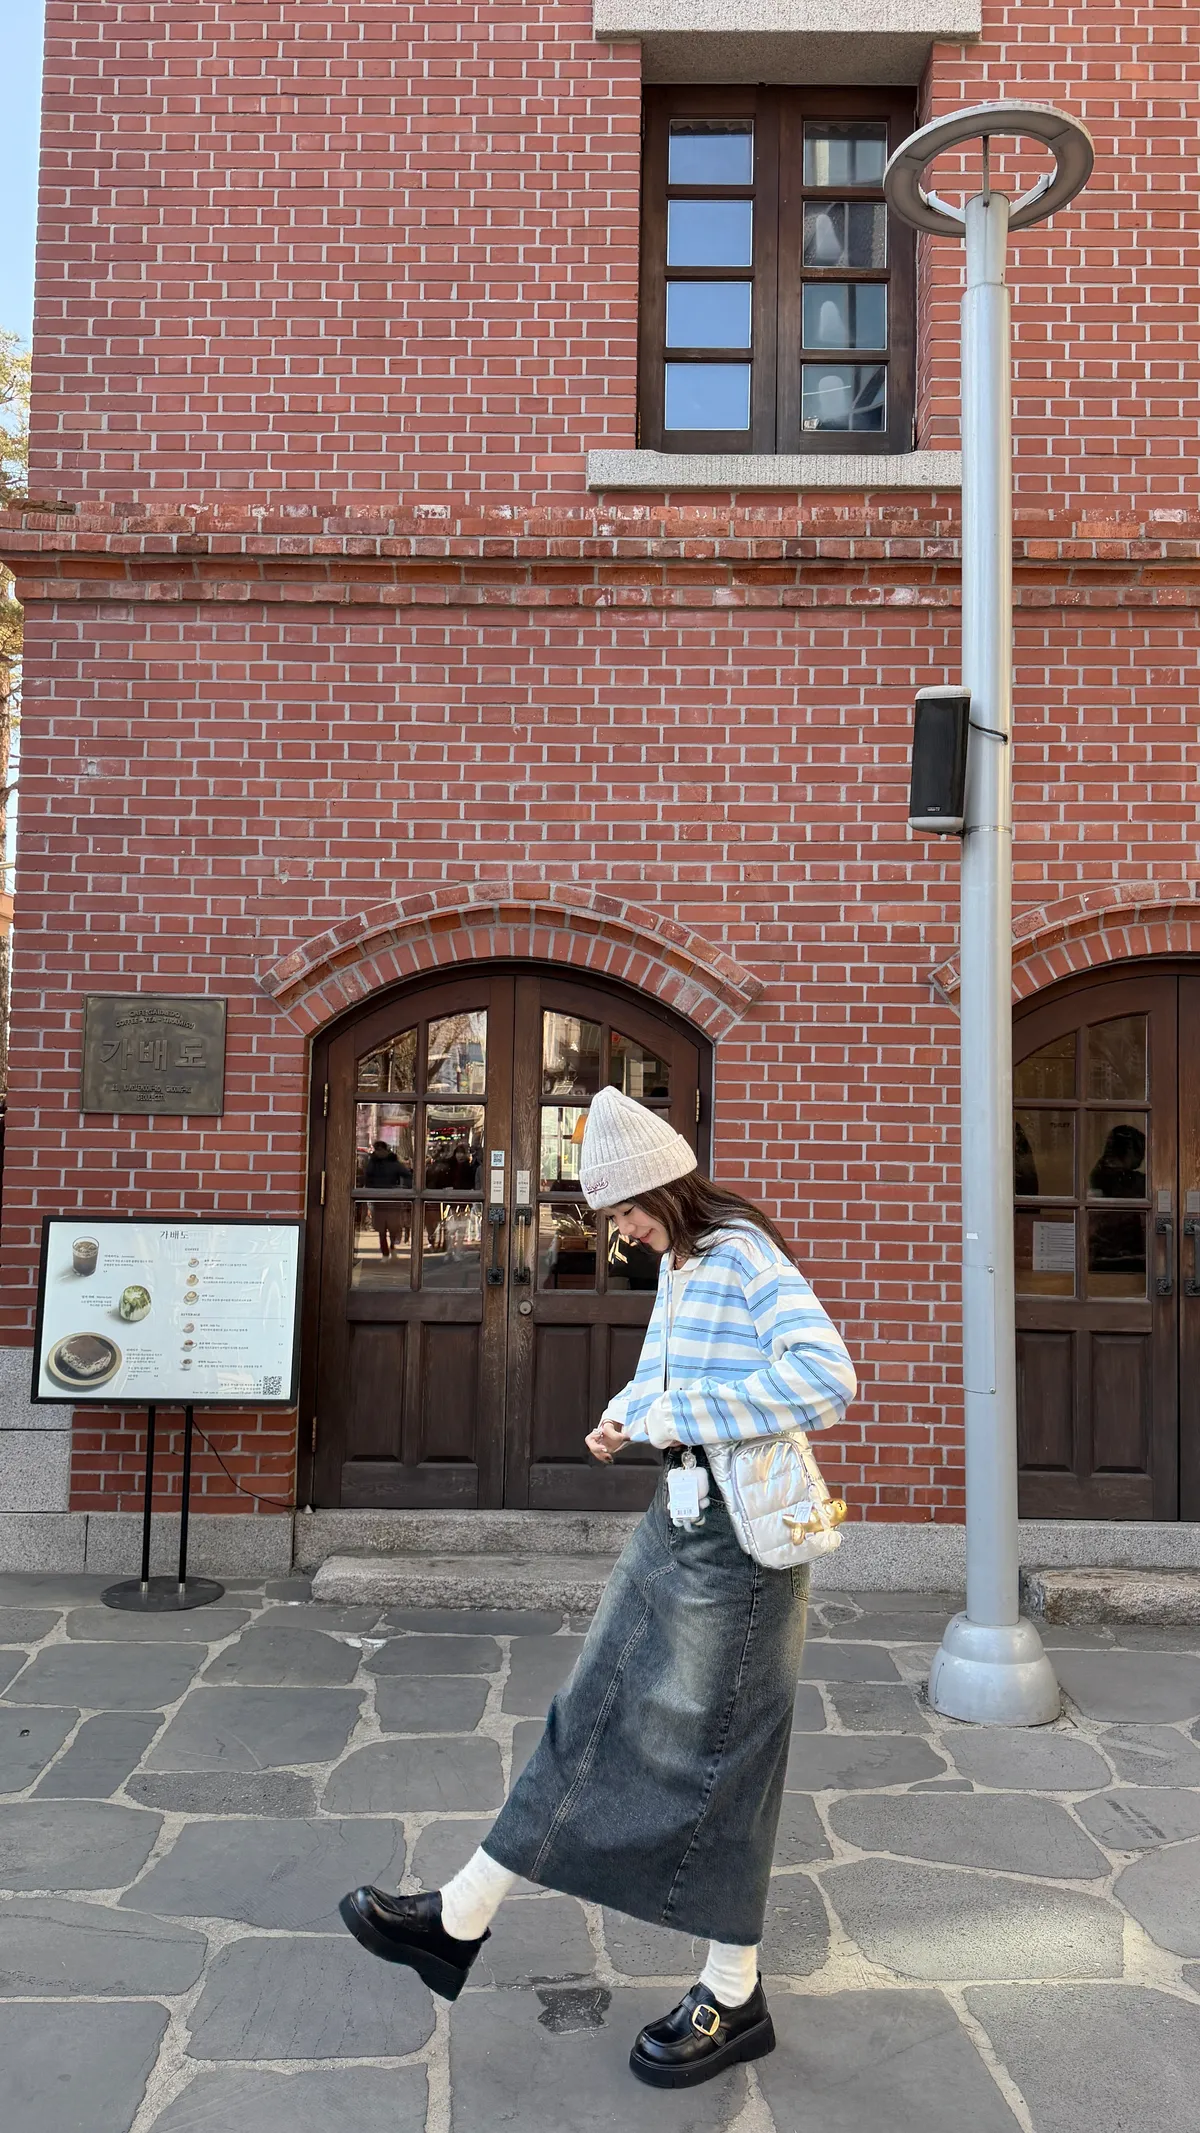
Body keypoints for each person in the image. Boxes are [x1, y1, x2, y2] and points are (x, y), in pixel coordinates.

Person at [340, 1086, 856, 2087]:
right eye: (611, 1215)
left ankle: (733, 1990)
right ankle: (460, 1915)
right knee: (591, 1711)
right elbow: (665, 1371)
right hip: (682, 1516)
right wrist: (627, 1414)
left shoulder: (743, 1253)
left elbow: (826, 1378)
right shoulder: (682, 1261)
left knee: (726, 1758)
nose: (618, 1230)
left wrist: (675, 1418)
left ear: (664, 1186)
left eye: (623, 1210)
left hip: (744, 1544)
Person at [362, 1137, 406, 1259]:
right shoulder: (372, 1163)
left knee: (393, 1228)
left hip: (391, 1199)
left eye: (381, 1149)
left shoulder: (393, 1162)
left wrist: (401, 1189)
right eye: (377, 1150)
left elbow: (406, 1175)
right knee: (381, 1230)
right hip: (379, 1200)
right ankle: (385, 1253)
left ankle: (392, 1246)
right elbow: (367, 1179)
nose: (379, 1152)